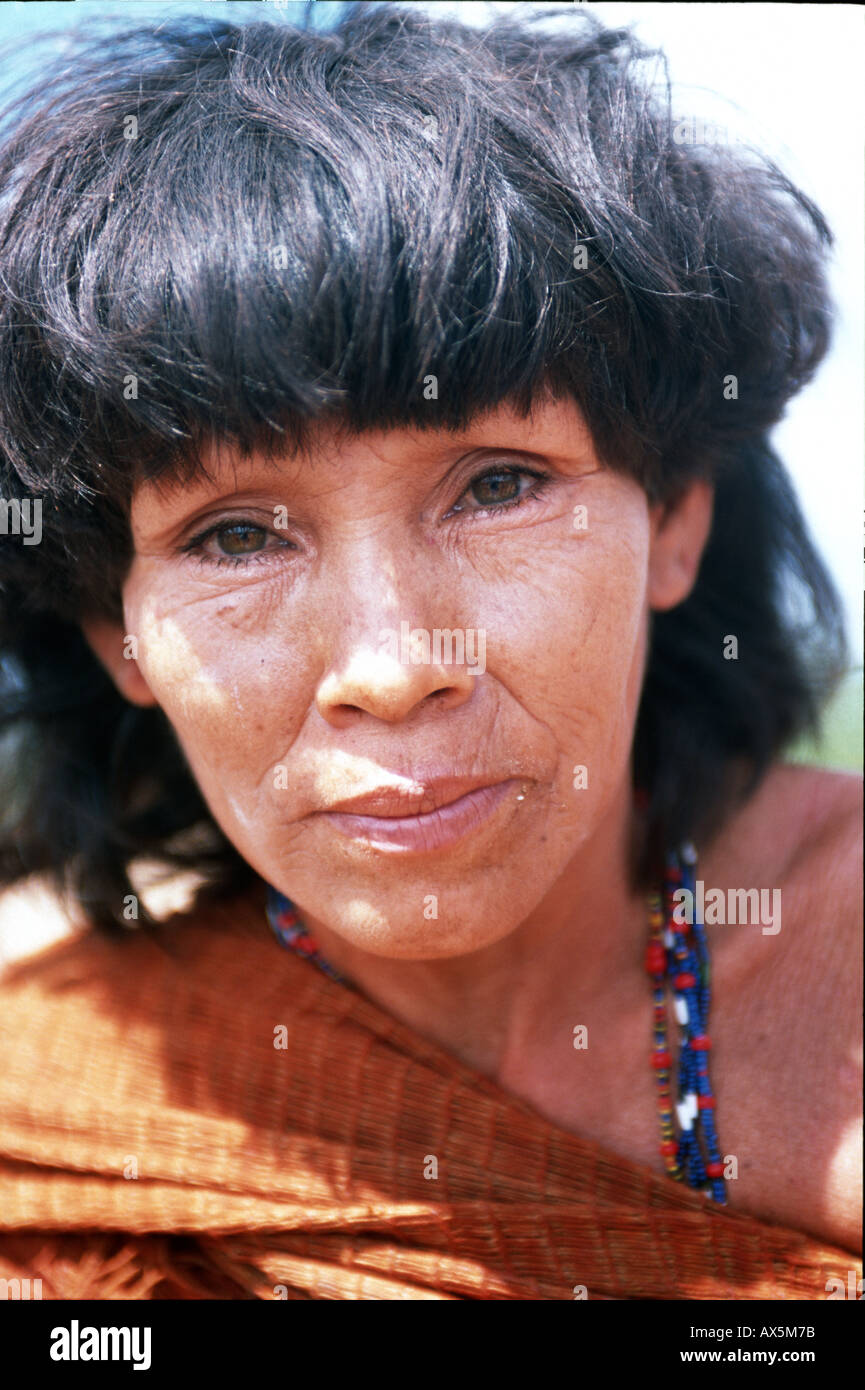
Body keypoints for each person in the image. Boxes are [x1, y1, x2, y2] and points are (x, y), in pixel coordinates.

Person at [0, 2, 860, 1301]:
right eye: (236, 536)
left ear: (673, 517)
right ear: (118, 632)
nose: (396, 662)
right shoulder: (57, 1106)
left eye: (499, 483)